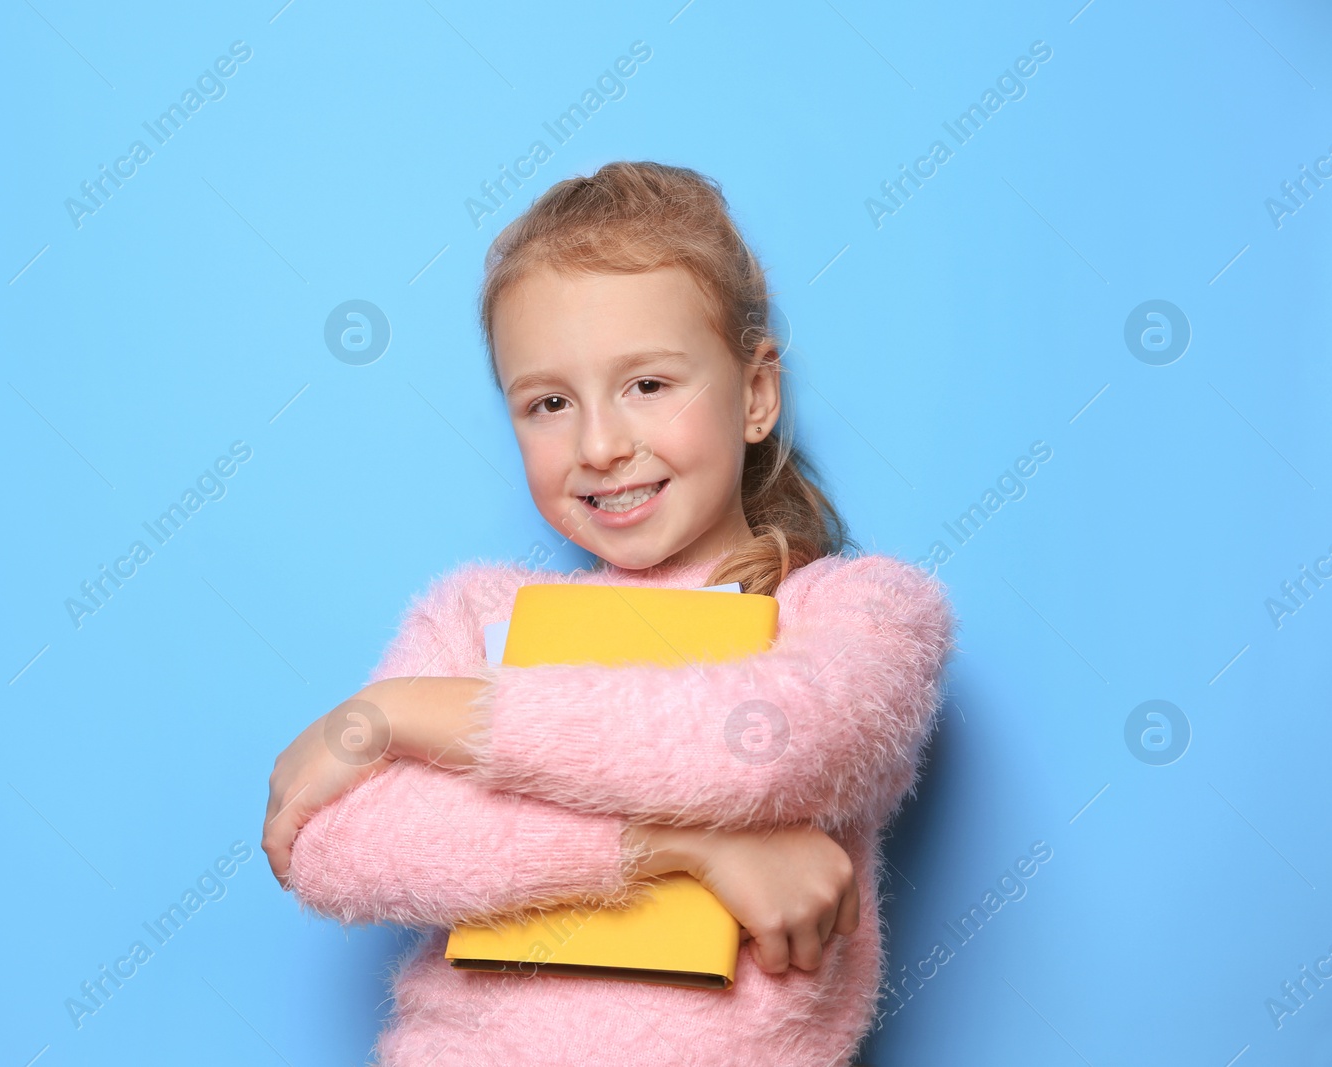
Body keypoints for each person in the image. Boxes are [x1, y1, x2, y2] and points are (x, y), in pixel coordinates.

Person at [261, 160, 957, 1066]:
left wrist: (402, 715)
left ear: (755, 394)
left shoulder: (864, 612)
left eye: (649, 385)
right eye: (549, 403)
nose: (598, 444)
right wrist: (676, 848)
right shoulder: (475, 612)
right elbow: (336, 845)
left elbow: (757, 746)